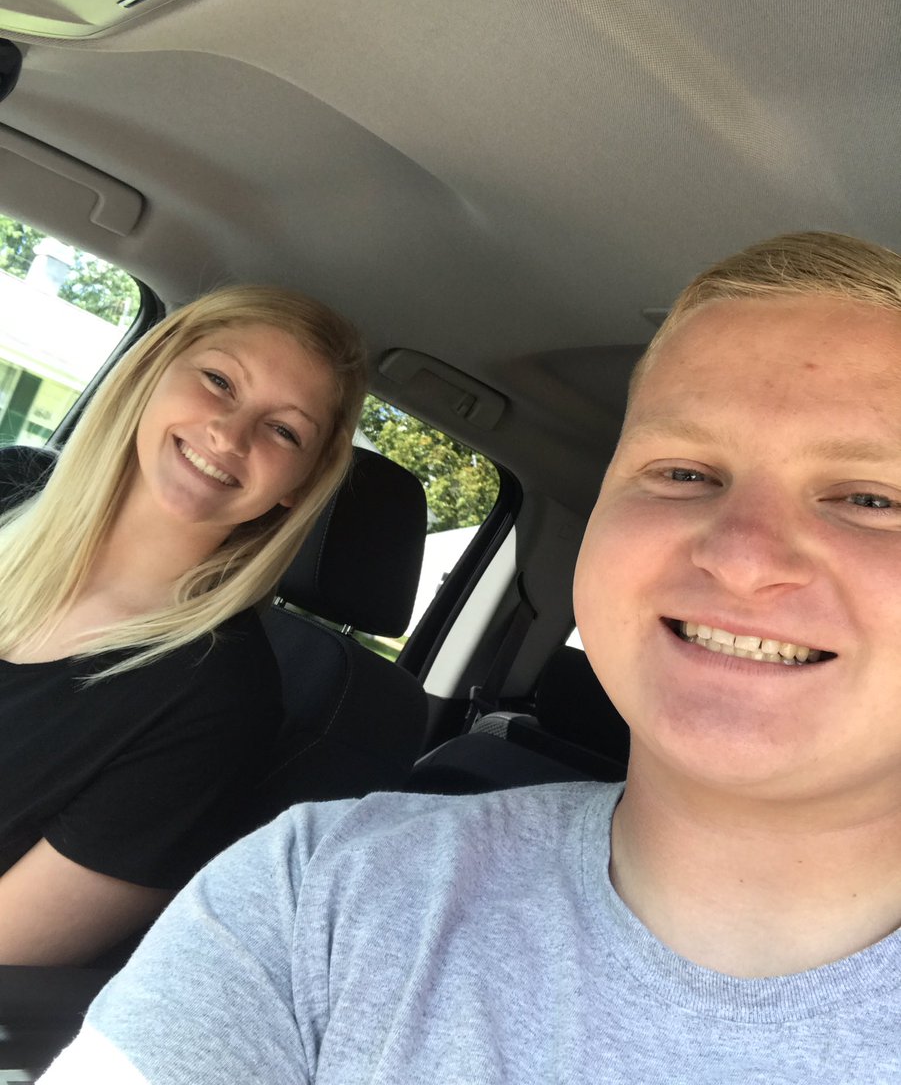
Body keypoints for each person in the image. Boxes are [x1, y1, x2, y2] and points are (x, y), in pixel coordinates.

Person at [39, 232, 901, 1082]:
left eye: (871, 498)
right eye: (683, 472)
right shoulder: (319, 893)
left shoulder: (220, 698)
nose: (741, 557)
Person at [0, 284, 367, 967]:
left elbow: (10, 951)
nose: (229, 434)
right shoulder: (9, 482)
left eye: (284, 430)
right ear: (151, 371)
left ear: (299, 484)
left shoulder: (217, 699)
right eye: (219, 381)